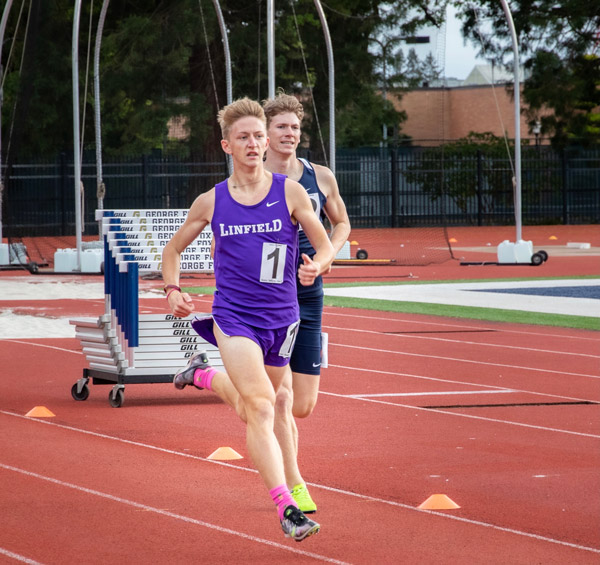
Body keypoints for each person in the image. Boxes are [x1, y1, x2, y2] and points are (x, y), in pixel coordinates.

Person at [161, 97, 334, 542]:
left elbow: (325, 241)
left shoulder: (290, 192)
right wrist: (174, 289)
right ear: (227, 146)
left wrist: (319, 264)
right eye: (245, 137)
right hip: (234, 318)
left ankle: (203, 376)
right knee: (260, 406)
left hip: (283, 318)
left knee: (263, 403)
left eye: (259, 135)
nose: (255, 143)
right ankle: (287, 507)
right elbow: (173, 250)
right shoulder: (212, 201)